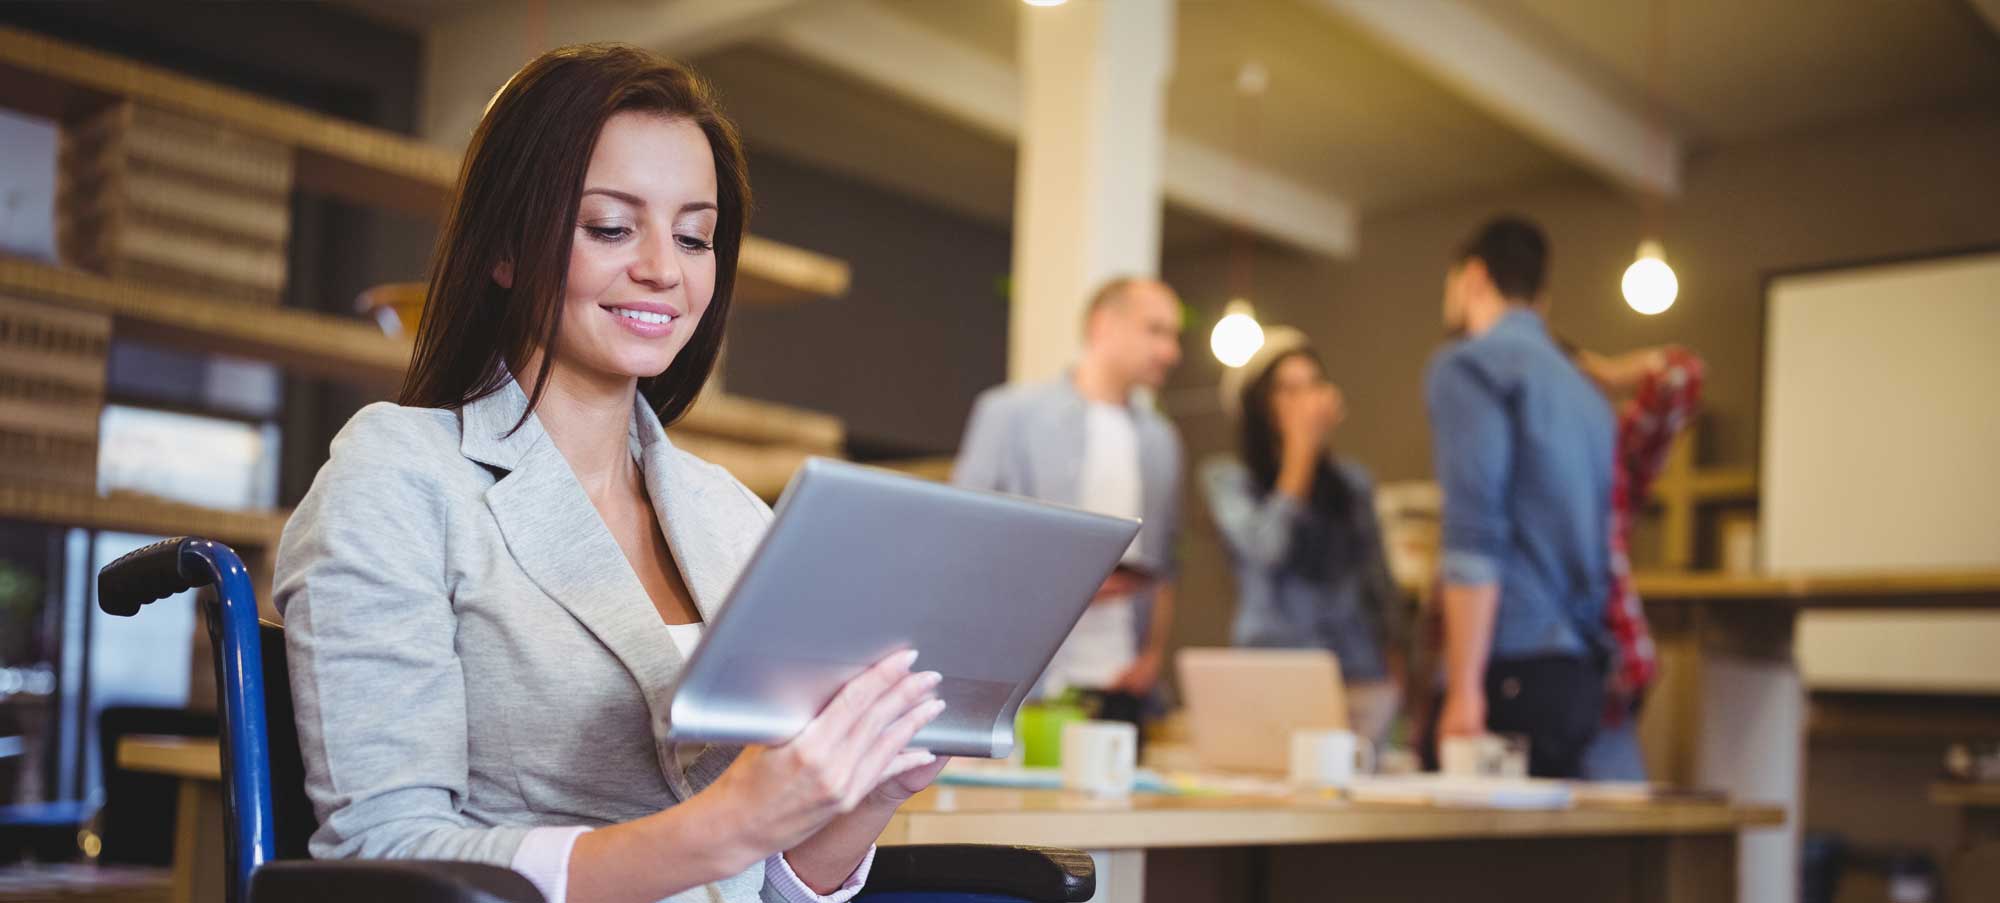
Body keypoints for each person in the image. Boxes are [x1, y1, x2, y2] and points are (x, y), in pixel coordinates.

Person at [275, 45, 946, 903]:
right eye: (610, 226)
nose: (664, 268)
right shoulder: (402, 474)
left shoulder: (734, 515)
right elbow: (384, 851)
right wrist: (728, 824)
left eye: (695, 235)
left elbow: (763, 889)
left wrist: (867, 795)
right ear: (507, 249)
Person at [1425, 215, 1615, 779]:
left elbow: (1474, 532)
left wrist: (1463, 689)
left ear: (1474, 277)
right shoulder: (1586, 392)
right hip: (1576, 669)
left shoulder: (1469, 366)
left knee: (1463, 866)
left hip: (1507, 667)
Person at [950, 277, 1185, 728]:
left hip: (1122, 687)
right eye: (1155, 331)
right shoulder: (1009, 414)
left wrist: (1153, 655)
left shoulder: (1162, 441)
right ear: (1103, 325)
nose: (1170, 351)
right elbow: (964, 542)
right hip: (1025, 686)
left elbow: (1166, 564)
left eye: (1174, 336)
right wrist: (1063, 586)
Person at [1202, 327, 1406, 743]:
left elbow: (1377, 580)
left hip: (1355, 674)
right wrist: (1299, 453)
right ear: (1259, 405)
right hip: (1271, 676)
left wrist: (1398, 662)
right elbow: (1267, 548)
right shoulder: (1229, 479)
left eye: (1313, 385)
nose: (1304, 402)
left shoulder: (1352, 483)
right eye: (1287, 390)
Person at [1570, 344, 1706, 781]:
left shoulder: (1609, 456)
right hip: (1524, 681)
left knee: (1614, 829)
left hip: (1605, 680)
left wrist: (1607, 370)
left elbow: (1681, 376)